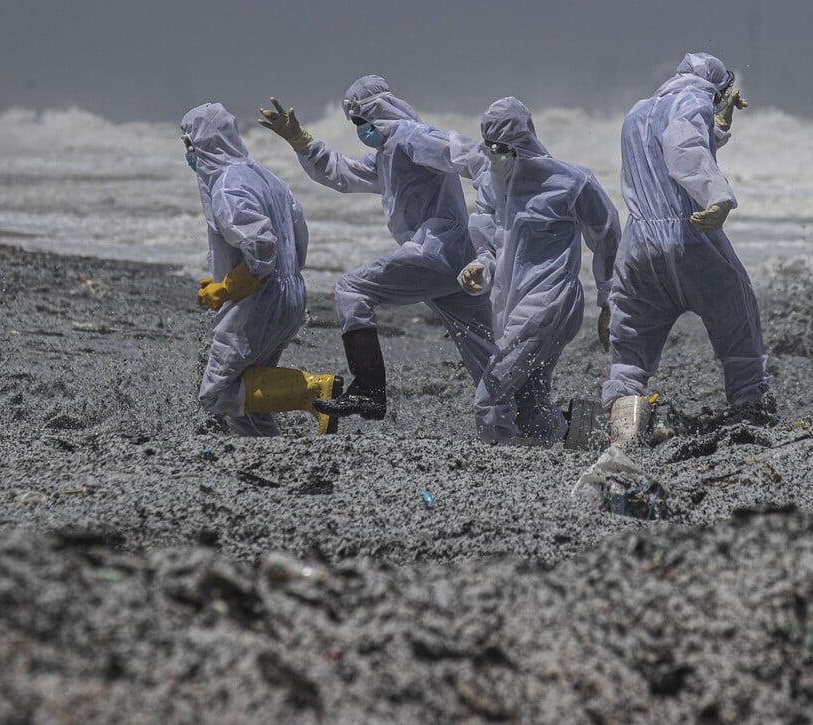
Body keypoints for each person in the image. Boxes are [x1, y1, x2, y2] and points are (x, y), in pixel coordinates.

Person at [259, 76, 494, 423]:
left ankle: (369, 389)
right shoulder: (388, 154)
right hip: (459, 263)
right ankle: (533, 418)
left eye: (358, 122)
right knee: (483, 353)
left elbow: (470, 156)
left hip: (435, 252)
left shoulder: (410, 137)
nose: (359, 130)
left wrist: (494, 203)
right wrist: (300, 139)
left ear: (374, 113)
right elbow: (344, 173)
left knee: (351, 290)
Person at [603, 52, 774, 446]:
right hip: (690, 238)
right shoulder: (693, 100)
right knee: (738, 317)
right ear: (713, 87)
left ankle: (625, 431)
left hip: (640, 246)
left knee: (630, 346)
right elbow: (683, 146)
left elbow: (673, 144)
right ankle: (750, 407)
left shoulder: (638, 112)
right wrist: (717, 197)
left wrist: (720, 124)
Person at [455, 97, 620, 446]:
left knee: (491, 396)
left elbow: (606, 235)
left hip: (552, 301)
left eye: (502, 147)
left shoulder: (569, 181)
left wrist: (609, 300)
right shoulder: (489, 186)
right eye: (488, 146)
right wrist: (476, 271)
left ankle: (498, 462)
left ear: (522, 143)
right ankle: (596, 435)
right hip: (512, 305)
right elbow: (488, 250)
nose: (493, 154)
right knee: (529, 407)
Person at [181, 102, 341, 437]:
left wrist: (229, 288)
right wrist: (230, 278)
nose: (188, 155)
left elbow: (262, 248)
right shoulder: (269, 178)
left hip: (258, 301)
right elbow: (297, 238)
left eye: (188, 145)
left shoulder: (227, 185)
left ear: (202, 144)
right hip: (290, 292)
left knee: (218, 393)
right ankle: (268, 447)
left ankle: (315, 391)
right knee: (249, 399)